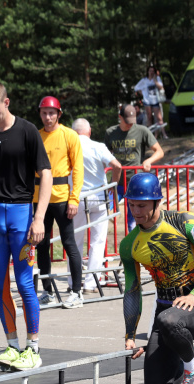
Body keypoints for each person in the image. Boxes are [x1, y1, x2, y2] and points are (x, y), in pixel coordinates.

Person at [0, 80, 53, 370]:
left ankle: (33, 347)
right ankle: (12, 345)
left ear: (6, 102)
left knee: (25, 283)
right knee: (0, 283)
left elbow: (46, 173)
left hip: (21, 213)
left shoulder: (28, 130)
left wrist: (39, 217)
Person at [120, 173, 194, 384]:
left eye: (142, 205)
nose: (136, 211)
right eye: (132, 205)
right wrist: (130, 334)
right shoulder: (129, 244)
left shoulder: (186, 222)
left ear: (158, 202)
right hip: (165, 312)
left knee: (169, 320)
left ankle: (193, 364)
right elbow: (133, 290)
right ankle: (187, 353)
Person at [33, 96, 85, 309]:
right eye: (44, 113)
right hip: (38, 199)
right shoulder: (35, 136)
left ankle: (76, 291)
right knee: (42, 245)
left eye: (51, 113)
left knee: (69, 243)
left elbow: (78, 168)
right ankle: (47, 291)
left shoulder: (69, 135)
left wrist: (74, 198)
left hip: (62, 198)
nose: (48, 117)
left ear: (59, 114)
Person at [69, 118, 122, 293]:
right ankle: (91, 283)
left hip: (76, 197)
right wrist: (112, 186)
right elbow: (117, 166)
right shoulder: (98, 146)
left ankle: (73, 282)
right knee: (97, 241)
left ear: (73, 131)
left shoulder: (68, 146)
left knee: (74, 242)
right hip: (99, 196)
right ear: (89, 131)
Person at [104, 104, 164, 231]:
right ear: (120, 117)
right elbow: (105, 156)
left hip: (135, 184)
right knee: (102, 210)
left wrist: (149, 160)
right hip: (116, 182)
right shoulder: (111, 133)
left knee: (133, 220)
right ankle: (102, 248)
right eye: (127, 122)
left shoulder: (142, 131)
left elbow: (159, 151)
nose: (130, 125)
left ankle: (133, 247)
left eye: (132, 121)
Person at [134, 65, 168, 138]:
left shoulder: (157, 78)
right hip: (147, 101)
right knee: (149, 118)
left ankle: (163, 134)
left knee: (159, 118)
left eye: (153, 71)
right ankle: (151, 136)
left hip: (155, 100)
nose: (151, 72)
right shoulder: (144, 80)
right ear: (148, 72)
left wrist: (155, 81)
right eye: (150, 71)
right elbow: (136, 87)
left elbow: (161, 87)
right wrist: (141, 93)